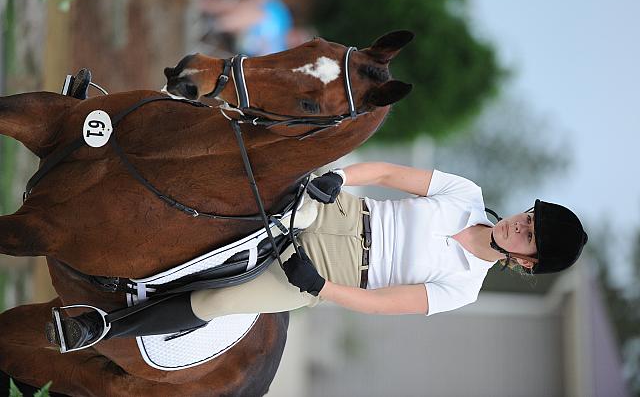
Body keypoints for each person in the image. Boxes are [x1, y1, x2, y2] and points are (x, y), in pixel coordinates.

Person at [46, 162, 588, 350]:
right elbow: (385, 175)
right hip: (344, 213)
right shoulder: (466, 194)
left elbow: (381, 305)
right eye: (531, 216)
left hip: (337, 272)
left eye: (530, 236)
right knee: (247, 178)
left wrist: (316, 287)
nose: (521, 223)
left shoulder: (464, 288)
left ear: (528, 262)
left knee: (214, 302)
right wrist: (338, 178)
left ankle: (102, 327)